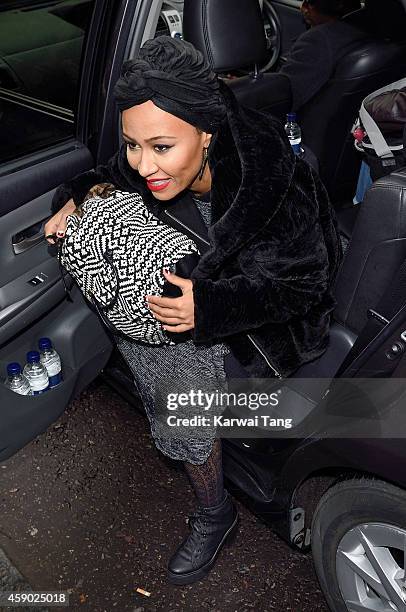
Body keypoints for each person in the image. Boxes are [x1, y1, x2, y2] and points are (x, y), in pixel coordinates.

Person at [45, 36, 342, 585]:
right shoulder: (165, 138)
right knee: (111, 222)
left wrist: (206, 307)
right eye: (135, 144)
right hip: (212, 274)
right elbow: (117, 169)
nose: (144, 162)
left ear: (207, 132)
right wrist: (78, 195)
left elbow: (305, 285)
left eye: (160, 148)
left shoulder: (269, 180)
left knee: (166, 361)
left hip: (271, 324)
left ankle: (215, 511)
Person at [279, 0, 367, 111]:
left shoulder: (317, 40)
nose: (301, 9)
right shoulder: (368, 31)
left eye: (307, 3)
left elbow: (282, 96)